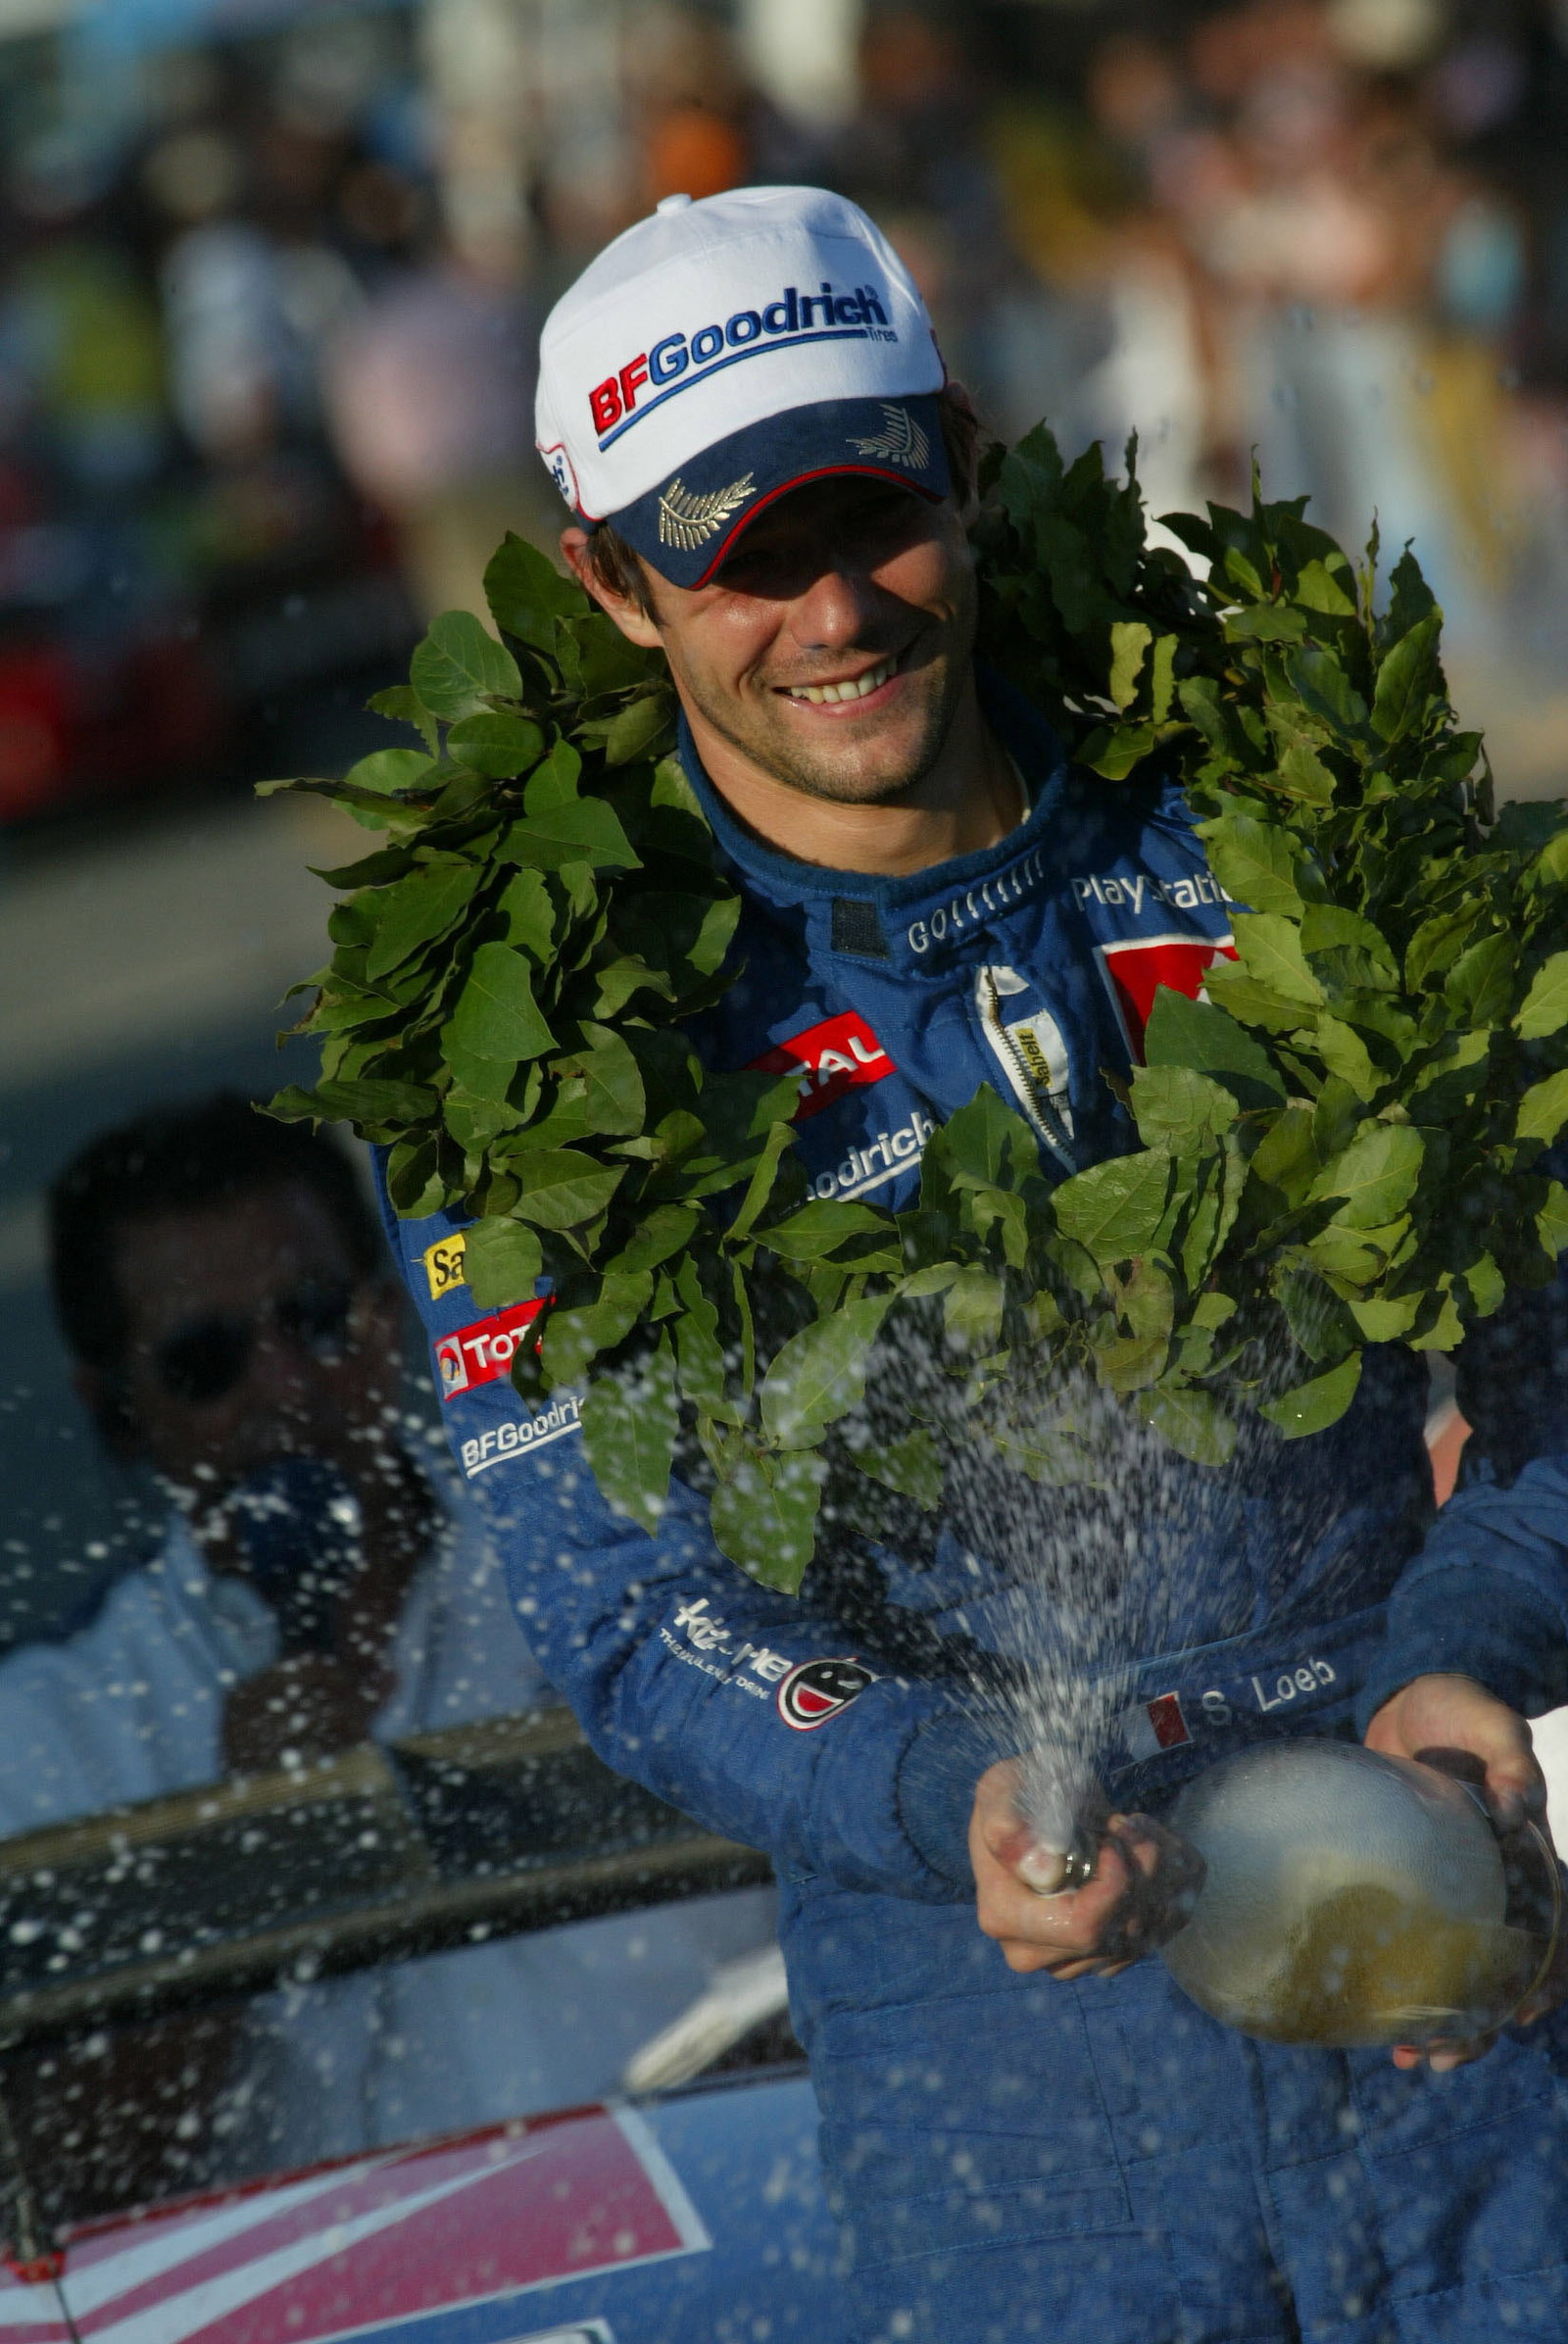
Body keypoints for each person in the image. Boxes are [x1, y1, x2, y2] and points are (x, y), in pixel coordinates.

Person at [379, 187, 1568, 2341]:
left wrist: (1469, 1636)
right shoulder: (547, 1039)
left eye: (868, 513)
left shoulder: (1294, 815)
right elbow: (627, 1611)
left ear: (962, 448)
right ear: (607, 583)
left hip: (1439, 1954)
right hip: (1013, 2094)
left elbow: (1546, 1345)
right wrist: (949, 1789)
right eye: (733, 552)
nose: (829, 608)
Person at [0, 1097, 773, 2192]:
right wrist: (243, 1864)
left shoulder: (608, 1549)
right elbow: (61, 2175)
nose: (284, 1386)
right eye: (207, 1359)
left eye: (317, 1318)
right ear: (117, 1410)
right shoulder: (39, 1730)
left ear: (390, 1316)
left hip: (732, 2221)